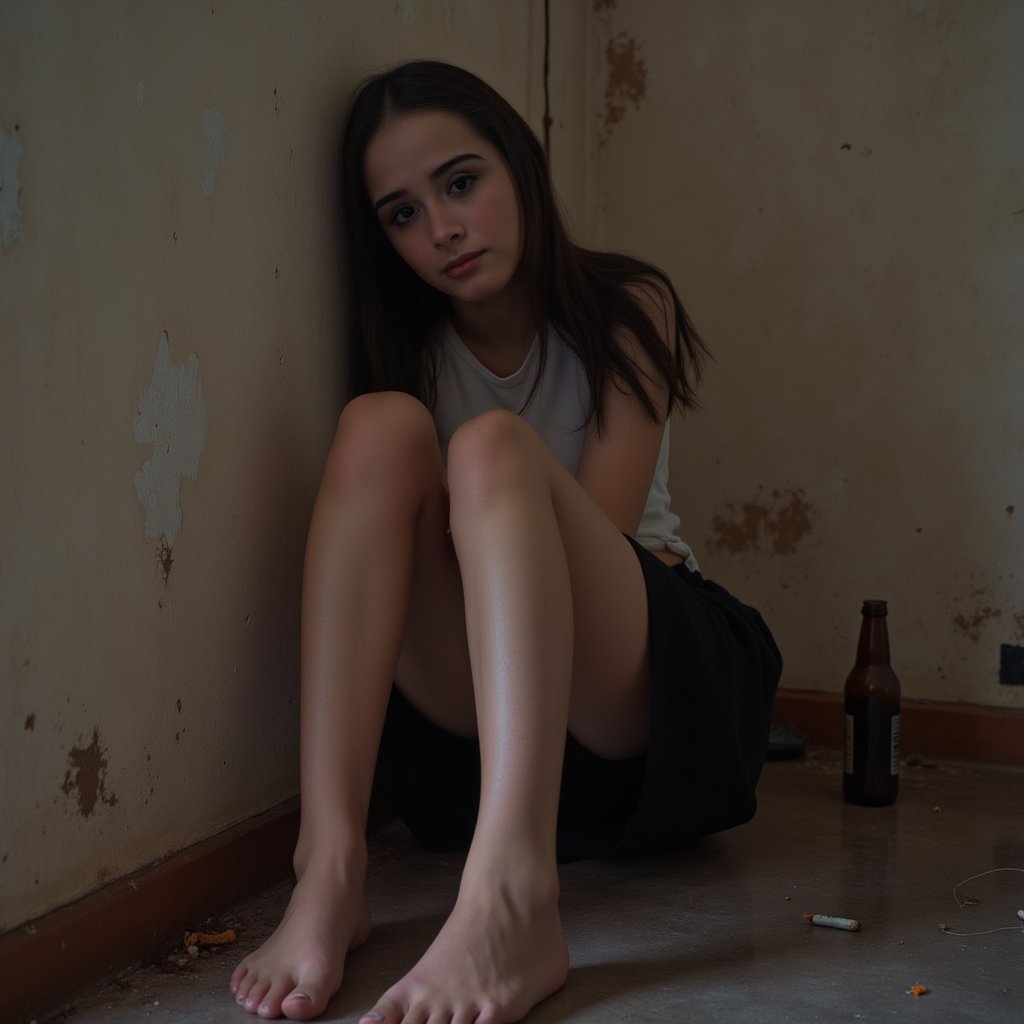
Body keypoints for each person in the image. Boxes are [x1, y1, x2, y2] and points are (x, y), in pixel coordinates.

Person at [229, 59, 781, 1023]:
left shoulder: (625, 311)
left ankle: (515, 896)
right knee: (375, 429)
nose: (439, 228)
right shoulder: (411, 358)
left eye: (459, 182)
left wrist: (487, 472)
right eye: (401, 213)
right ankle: (329, 865)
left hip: (649, 708)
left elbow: (594, 536)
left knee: (492, 451)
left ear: (520, 167)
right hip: (482, 739)